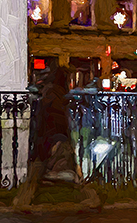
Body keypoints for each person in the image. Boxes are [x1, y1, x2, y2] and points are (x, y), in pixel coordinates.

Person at [13, 64, 100, 210]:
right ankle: (91, 198)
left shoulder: (49, 93)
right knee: (73, 173)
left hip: (46, 138)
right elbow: (57, 119)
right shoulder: (57, 94)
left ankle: (22, 201)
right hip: (55, 138)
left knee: (36, 172)